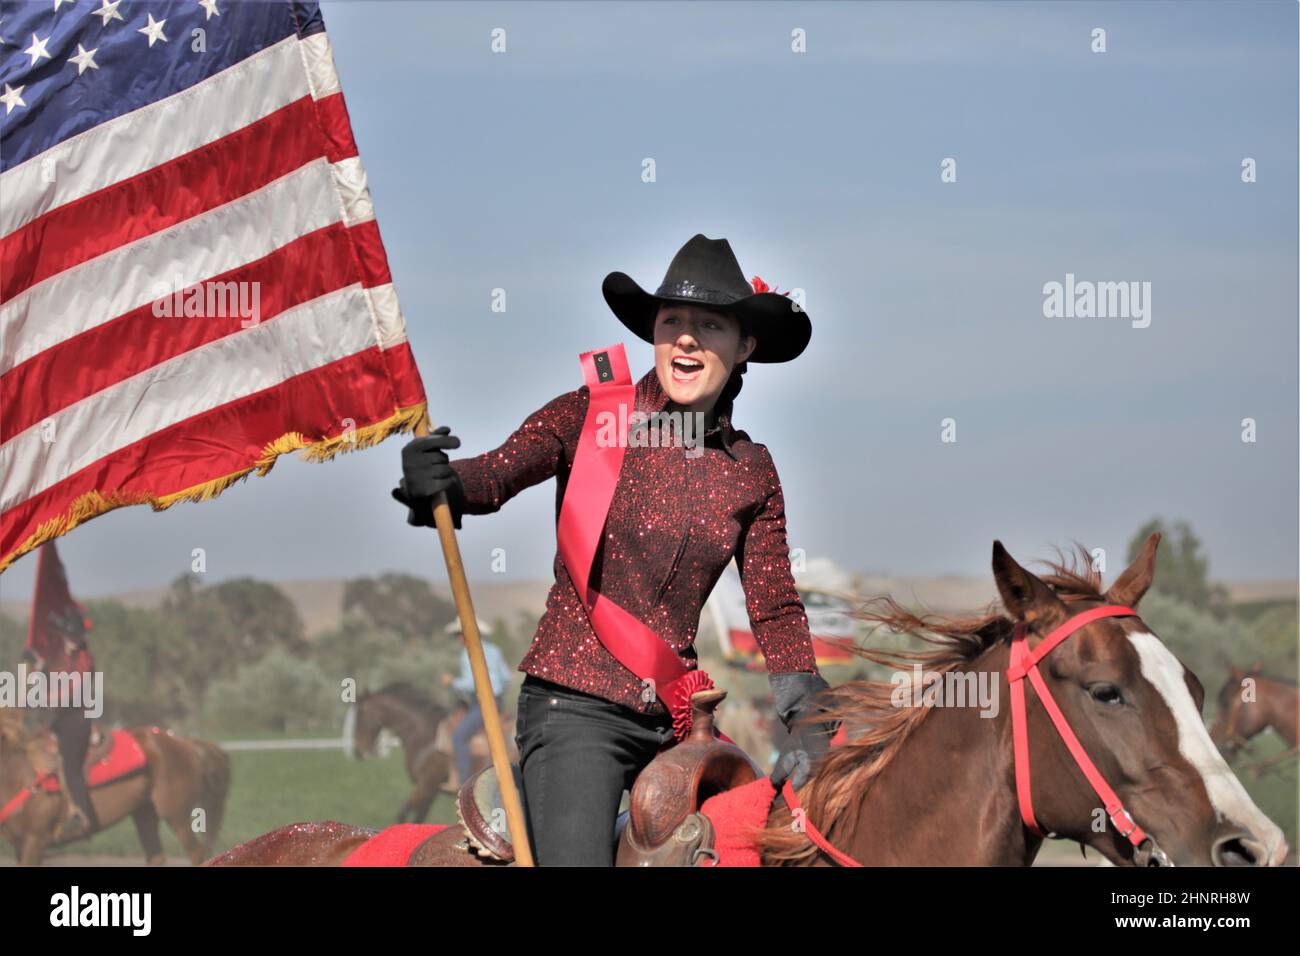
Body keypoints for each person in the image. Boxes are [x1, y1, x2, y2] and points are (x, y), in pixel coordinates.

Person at [393, 234, 839, 865]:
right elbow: (494, 475)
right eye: (672, 322)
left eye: (709, 325)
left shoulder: (753, 470)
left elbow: (774, 606)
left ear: (744, 348)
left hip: (678, 721)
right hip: (572, 707)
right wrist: (440, 482)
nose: (686, 338)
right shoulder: (591, 414)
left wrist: (806, 708)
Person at [24, 609, 97, 840]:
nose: (72, 641)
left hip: (77, 721)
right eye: (69, 636)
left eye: (75, 637)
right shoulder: (64, 657)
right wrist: (37, 664)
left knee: (70, 768)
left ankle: (84, 818)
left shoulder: (85, 659)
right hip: (61, 720)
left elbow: (70, 690)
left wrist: (46, 698)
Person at [440, 618, 512, 790]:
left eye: (460, 634)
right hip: (498, 701)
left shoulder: (468, 653)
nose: (458, 638)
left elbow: (472, 682)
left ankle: (463, 782)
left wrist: (452, 682)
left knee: (458, 736)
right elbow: (506, 678)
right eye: (457, 635)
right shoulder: (494, 650)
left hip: (483, 703)